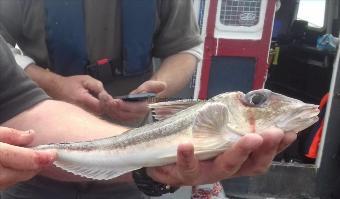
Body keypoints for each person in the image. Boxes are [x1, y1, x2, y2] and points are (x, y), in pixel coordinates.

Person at [0, 35, 297, 198]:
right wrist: (55, 83)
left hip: (116, 161)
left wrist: (151, 169)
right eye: (257, 101)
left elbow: (22, 107)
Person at [0, 0, 203, 126]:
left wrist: (155, 94)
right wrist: (54, 84)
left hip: (130, 148)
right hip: (42, 148)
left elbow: (184, 49)